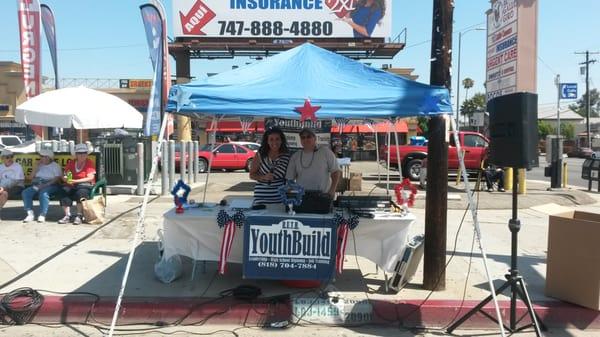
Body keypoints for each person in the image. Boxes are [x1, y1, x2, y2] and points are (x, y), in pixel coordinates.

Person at [286, 128, 341, 199]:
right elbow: (290, 179)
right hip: (303, 197)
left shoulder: (325, 152)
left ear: (315, 138)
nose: (306, 139)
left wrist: (332, 190)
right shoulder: (295, 156)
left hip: (323, 196)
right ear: (300, 140)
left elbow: (336, 172)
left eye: (309, 137)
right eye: (303, 137)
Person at [249, 128, 291, 205]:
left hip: (280, 198)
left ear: (281, 140)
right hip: (261, 198)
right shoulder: (260, 155)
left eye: (277, 139)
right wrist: (264, 177)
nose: (274, 142)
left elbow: (289, 176)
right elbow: (252, 175)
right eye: (271, 139)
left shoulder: (287, 156)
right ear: (267, 141)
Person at [59, 143, 96, 225]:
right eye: (80, 153)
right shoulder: (71, 163)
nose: (82, 155)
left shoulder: (89, 162)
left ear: (87, 154)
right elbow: (67, 174)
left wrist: (75, 181)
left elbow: (90, 178)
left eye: (84, 152)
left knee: (81, 192)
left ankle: (79, 215)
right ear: (76, 154)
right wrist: (65, 179)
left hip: (85, 184)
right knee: (64, 191)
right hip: (72, 184)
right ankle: (67, 215)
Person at [22, 149, 63, 223]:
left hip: (51, 184)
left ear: (48, 157)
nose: (40, 158)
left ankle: (42, 215)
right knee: (26, 192)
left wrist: (45, 185)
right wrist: (36, 167)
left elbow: (57, 179)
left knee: (43, 194)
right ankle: (30, 214)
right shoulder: (39, 165)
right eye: (40, 156)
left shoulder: (55, 166)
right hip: (38, 183)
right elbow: (31, 177)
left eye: (42, 156)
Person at [0, 149, 25, 219]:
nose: (10, 159)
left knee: (4, 193)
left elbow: (17, 181)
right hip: (2, 186)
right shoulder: (1, 167)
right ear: (2, 158)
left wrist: (4, 188)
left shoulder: (17, 166)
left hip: (17, 186)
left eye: (11, 156)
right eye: (7, 157)